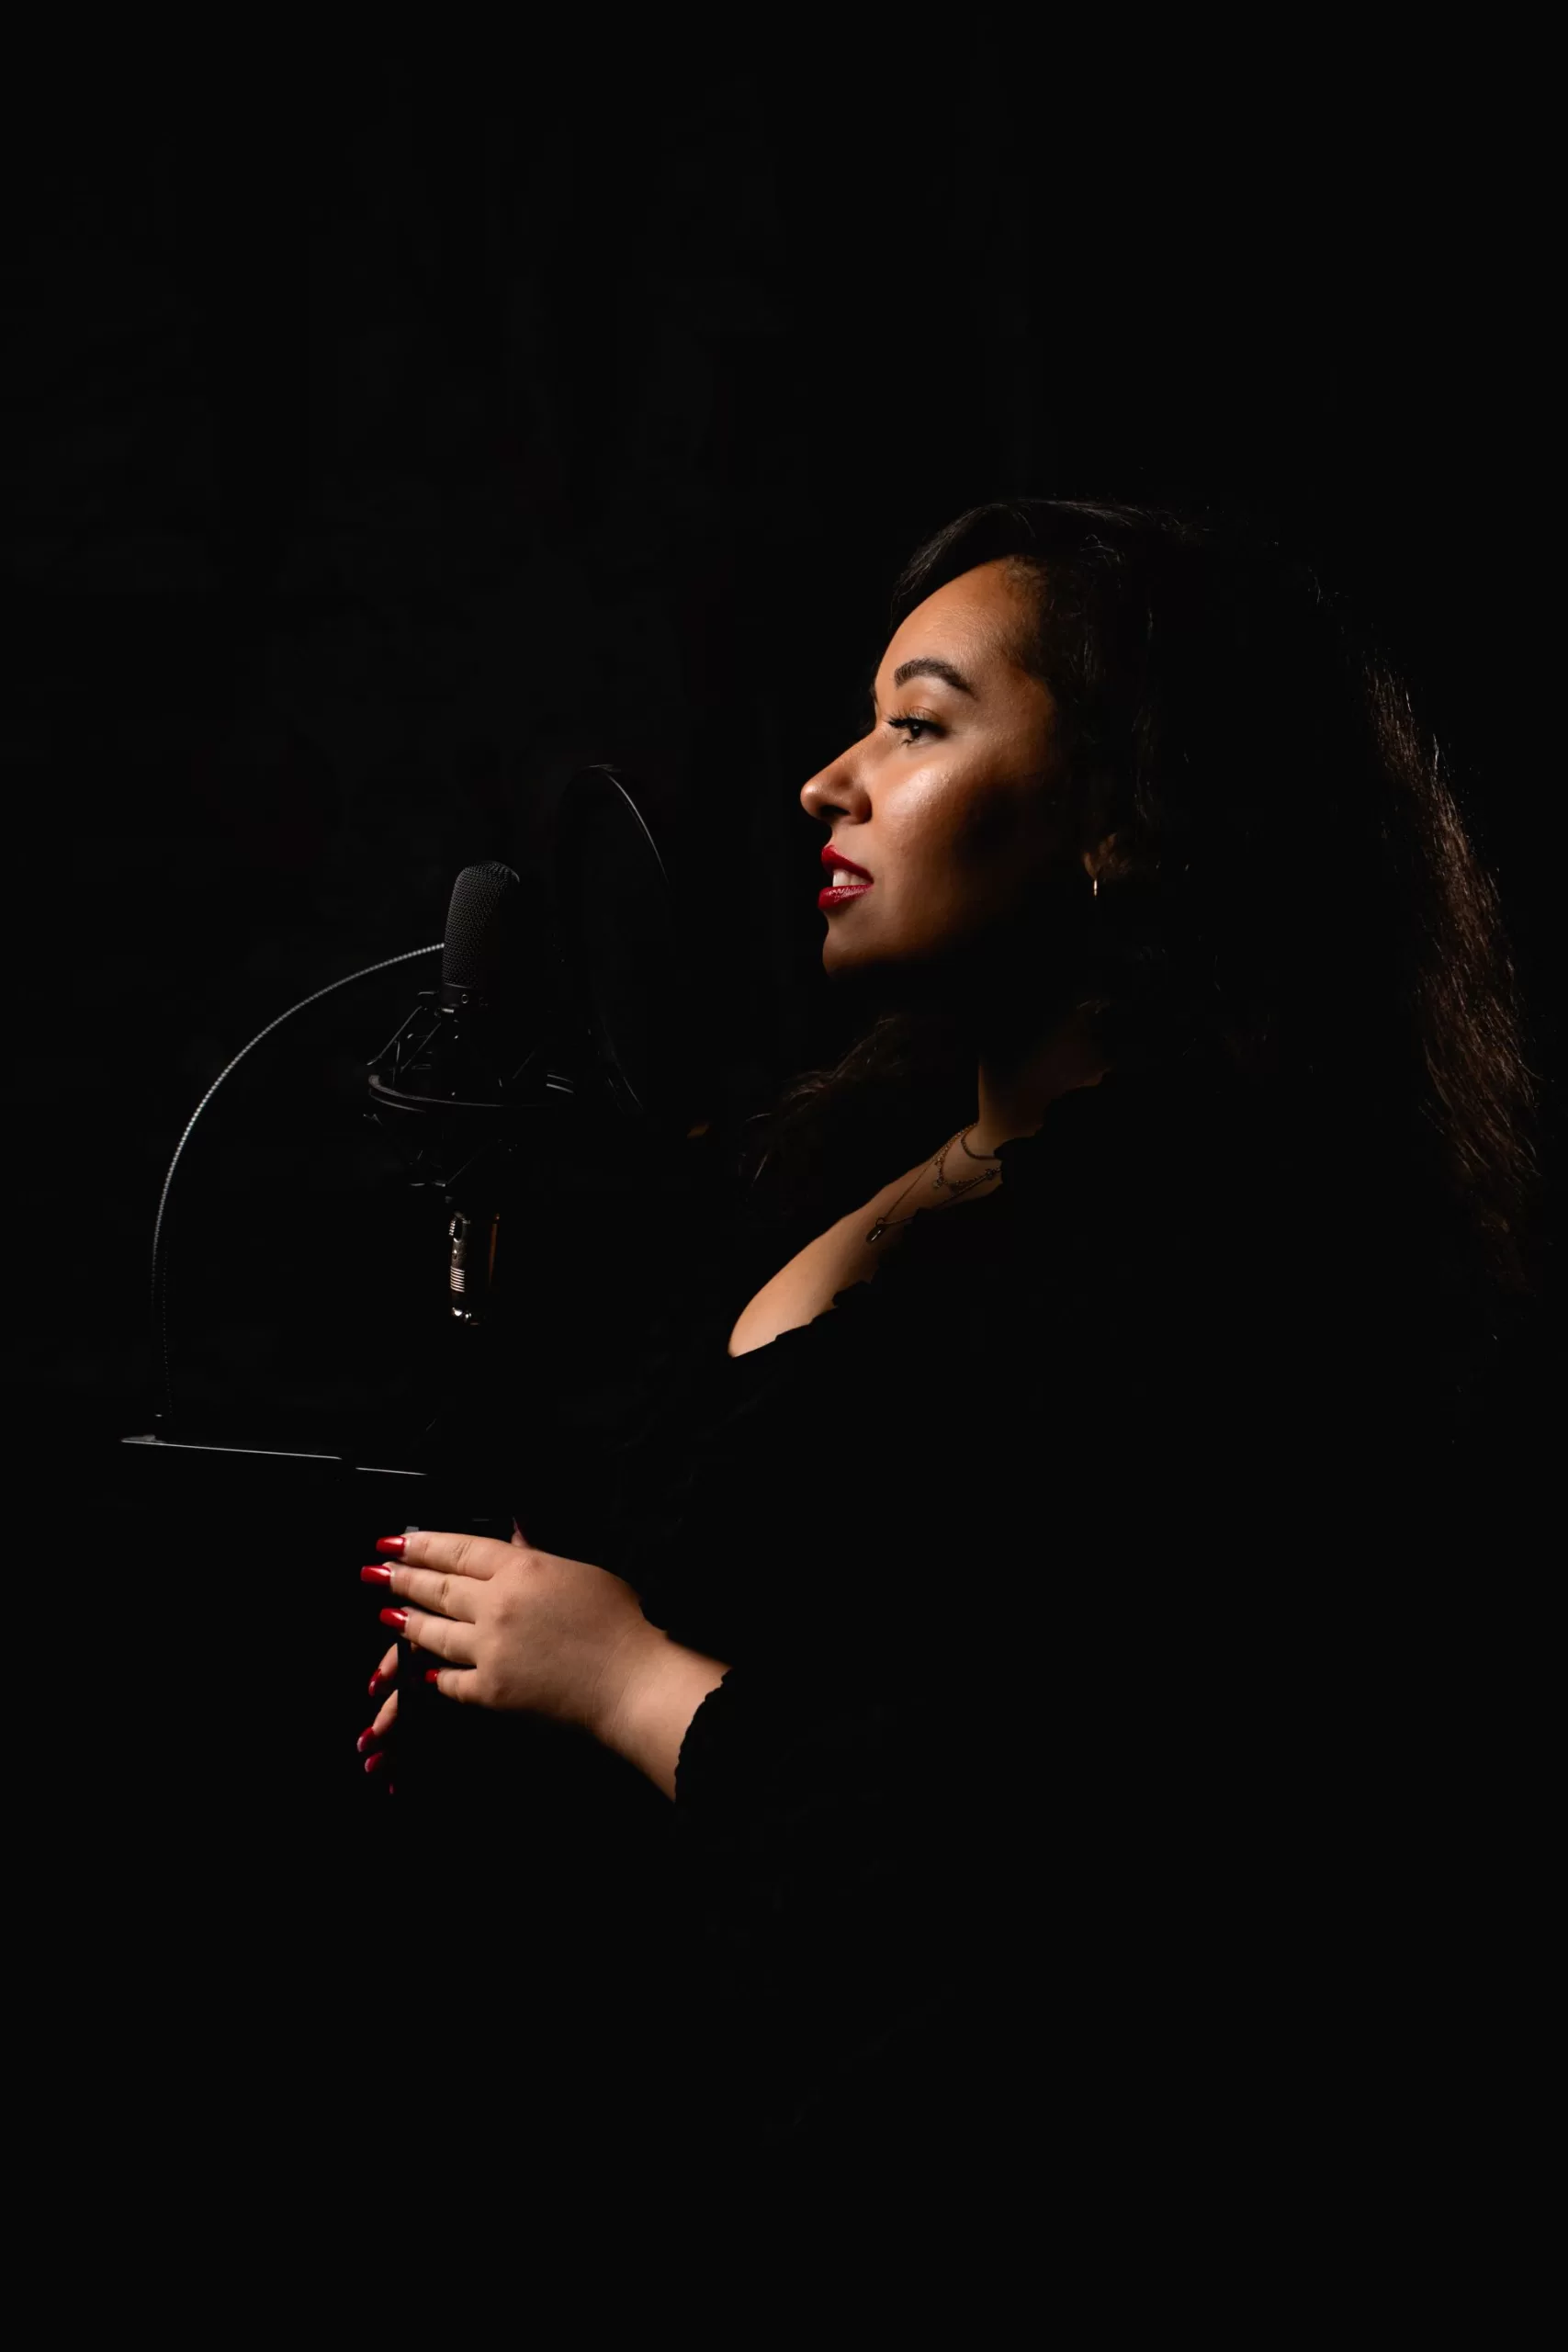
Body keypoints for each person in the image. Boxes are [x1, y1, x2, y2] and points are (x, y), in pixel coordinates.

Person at [344, 498, 1547, 2215]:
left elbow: (1055, 1848)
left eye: (917, 724)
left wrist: (618, 1682)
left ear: (1123, 819)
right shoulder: (852, 1168)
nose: (833, 780)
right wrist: (501, 1674)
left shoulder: (1208, 1267)